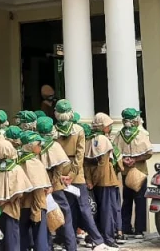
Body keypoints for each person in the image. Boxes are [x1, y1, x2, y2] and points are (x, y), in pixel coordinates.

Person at [53, 100, 111, 250]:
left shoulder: (53, 131)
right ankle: (97, 241)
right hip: (76, 174)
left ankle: (68, 242)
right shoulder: (79, 130)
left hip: (58, 173)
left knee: (66, 210)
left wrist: (60, 175)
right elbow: (80, 156)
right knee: (84, 207)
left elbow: (52, 156)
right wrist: (72, 175)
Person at [37, 116, 78, 251]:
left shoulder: (36, 146)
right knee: (65, 216)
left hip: (41, 186)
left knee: (44, 217)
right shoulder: (54, 146)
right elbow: (59, 168)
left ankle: (48, 246)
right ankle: (71, 246)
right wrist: (53, 185)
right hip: (55, 186)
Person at [0, 131, 28, 250]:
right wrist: (7, 201)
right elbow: (20, 192)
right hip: (11, 209)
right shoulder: (16, 168)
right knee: (12, 239)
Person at [113, 108, 153, 239]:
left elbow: (115, 152)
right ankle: (139, 230)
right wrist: (135, 159)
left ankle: (125, 227)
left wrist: (125, 161)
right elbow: (148, 153)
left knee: (127, 200)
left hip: (126, 173)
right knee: (140, 201)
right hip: (140, 172)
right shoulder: (141, 134)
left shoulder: (119, 135)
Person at [87, 113, 123, 246]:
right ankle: (108, 238)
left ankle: (98, 236)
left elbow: (87, 163)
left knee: (97, 210)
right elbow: (103, 163)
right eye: (108, 125)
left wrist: (91, 180)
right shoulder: (102, 139)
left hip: (95, 180)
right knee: (107, 210)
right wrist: (95, 179)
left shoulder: (90, 138)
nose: (110, 127)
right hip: (105, 180)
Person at [19, 131, 52, 251]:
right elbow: (40, 187)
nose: (40, 147)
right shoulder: (34, 163)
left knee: (22, 235)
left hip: (22, 204)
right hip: (36, 204)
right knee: (40, 237)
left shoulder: (18, 160)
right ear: (32, 146)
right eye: (39, 144)